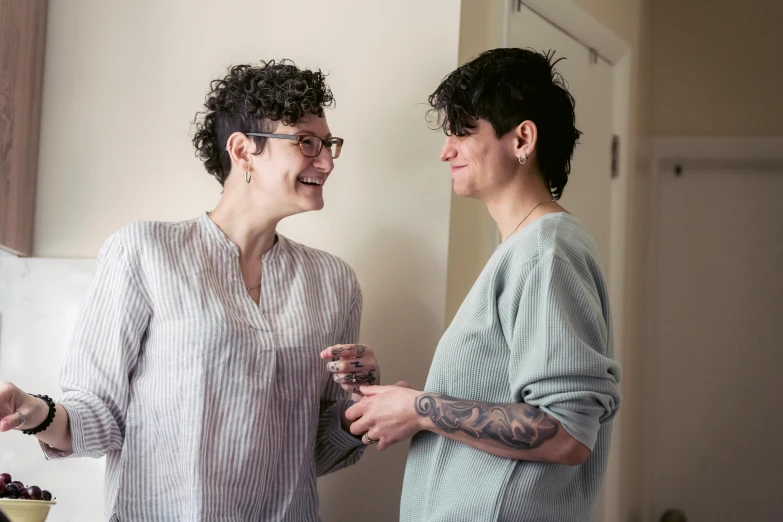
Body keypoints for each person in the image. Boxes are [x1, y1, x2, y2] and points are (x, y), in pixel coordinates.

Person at [0, 60, 380, 521]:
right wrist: (31, 411)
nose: (327, 160)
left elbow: (312, 452)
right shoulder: (144, 252)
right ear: (243, 151)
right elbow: (100, 417)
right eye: (307, 142)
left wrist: (360, 408)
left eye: (329, 144)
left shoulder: (335, 282)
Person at [334, 48, 621, 521]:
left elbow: (567, 433)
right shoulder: (527, 250)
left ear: (522, 138)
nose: (445, 151)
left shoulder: (547, 251)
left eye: (463, 132)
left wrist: (421, 408)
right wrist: (398, 404)